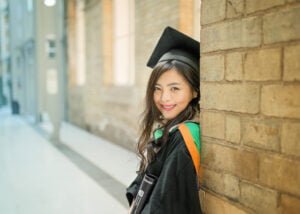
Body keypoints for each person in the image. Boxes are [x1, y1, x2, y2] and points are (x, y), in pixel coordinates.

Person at [126, 26, 202, 214]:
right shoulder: (171, 129)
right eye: (157, 88)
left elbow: (167, 204)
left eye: (174, 89)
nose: (164, 98)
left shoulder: (185, 137)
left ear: (195, 91)